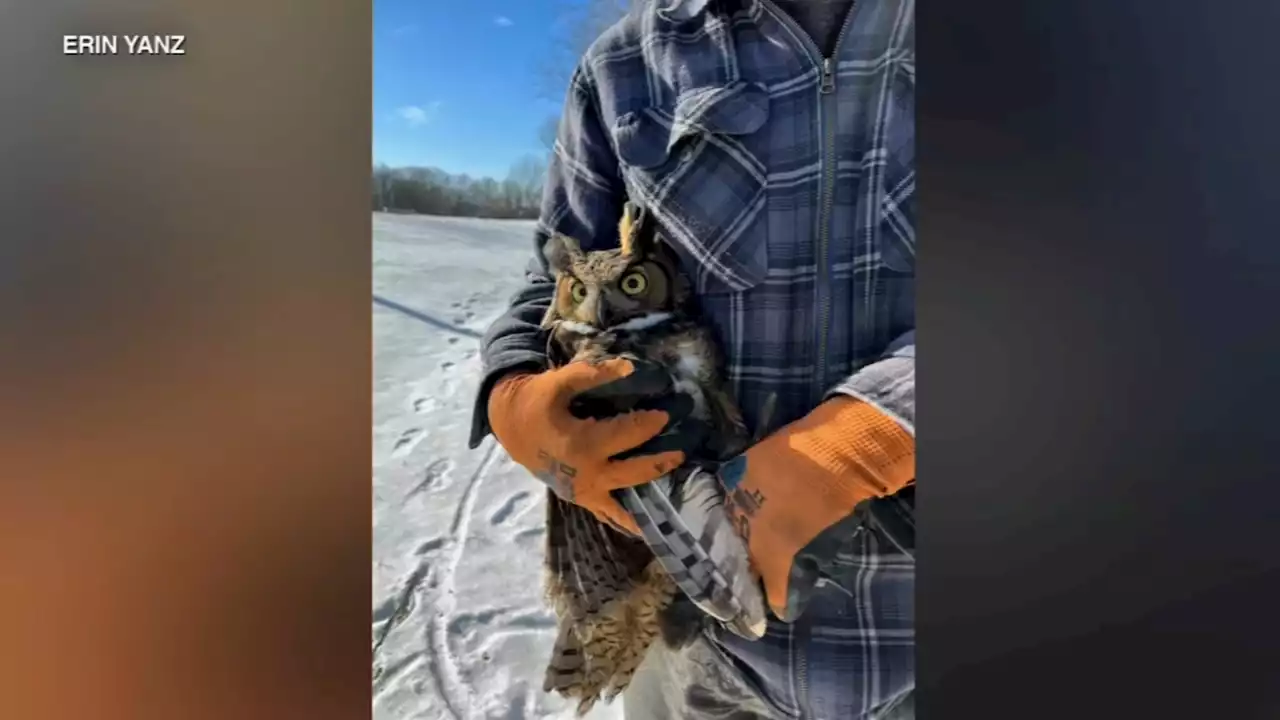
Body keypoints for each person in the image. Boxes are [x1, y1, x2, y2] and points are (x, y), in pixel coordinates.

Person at [468, 0, 916, 716]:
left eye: (637, 287)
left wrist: (880, 431)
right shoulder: (623, 65)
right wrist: (513, 389)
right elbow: (554, 274)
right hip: (692, 648)